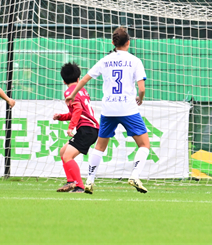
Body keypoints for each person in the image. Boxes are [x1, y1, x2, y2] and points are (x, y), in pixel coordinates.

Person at [66, 27, 149, 194]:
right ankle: (135, 175)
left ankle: (89, 180)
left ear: (113, 43)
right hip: (127, 108)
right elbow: (142, 88)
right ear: (128, 42)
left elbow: (84, 79)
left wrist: (73, 95)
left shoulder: (105, 60)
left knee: (100, 146)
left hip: (109, 109)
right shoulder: (135, 61)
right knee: (144, 144)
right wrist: (140, 98)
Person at [53, 63, 99, 193]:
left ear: (63, 80)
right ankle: (70, 182)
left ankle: (78, 185)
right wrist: (61, 117)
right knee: (63, 152)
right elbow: (77, 112)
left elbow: (78, 110)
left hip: (87, 129)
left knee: (67, 156)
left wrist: (70, 127)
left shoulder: (69, 91)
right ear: (78, 79)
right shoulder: (82, 90)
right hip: (89, 128)